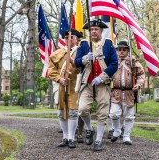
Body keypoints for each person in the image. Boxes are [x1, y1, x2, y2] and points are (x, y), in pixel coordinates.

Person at [75, 18, 118, 151]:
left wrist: (102, 77)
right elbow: (76, 62)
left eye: (96, 29)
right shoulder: (83, 45)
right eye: (91, 29)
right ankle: (89, 129)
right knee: (82, 109)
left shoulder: (108, 44)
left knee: (102, 112)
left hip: (102, 83)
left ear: (100, 31)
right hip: (87, 82)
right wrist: (84, 59)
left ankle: (98, 140)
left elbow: (114, 64)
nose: (93, 32)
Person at [48, 28, 81, 148]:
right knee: (61, 112)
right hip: (61, 85)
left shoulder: (80, 52)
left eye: (71, 37)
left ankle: (72, 138)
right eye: (67, 37)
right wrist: (59, 79)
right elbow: (51, 70)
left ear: (77, 40)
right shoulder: (57, 53)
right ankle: (65, 137)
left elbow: (82, 67)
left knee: (73, 111)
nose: (69, 39)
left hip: (74, 86)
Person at [109, 40, 145, 145]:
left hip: (129, 93)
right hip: (116, 92)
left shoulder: (133, 62)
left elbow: (141, 75)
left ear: (127, 51)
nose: (121, 52)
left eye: (124, 50)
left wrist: (138, 84)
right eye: (119, 50)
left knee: (129, 116)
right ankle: (117, 130)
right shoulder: (113, 62)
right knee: (114, 114)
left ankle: (126, 136)